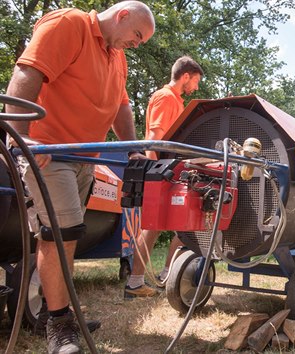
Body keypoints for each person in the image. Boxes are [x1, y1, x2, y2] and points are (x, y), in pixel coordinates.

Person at [6, 2, 155, 353]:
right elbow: (27, 72)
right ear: (122, 15)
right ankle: (60, 327)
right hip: (48, 153)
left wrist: (132, 147)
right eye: (137, 35)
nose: (136, 43)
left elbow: (120, 105)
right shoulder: (69, 24)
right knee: (61, 233)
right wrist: (21, 138)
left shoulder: (117, 56)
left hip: (83, 157)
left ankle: (55, 312)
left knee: (68, 238)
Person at [124, 56, 203, 298]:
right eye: (196, 81)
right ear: (186, 76)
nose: (196, 88)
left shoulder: (176, 101)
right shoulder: (165, 97)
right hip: (162, 170)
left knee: (178, 228)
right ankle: (136, 283)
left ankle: (167, 275)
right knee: (152, 227)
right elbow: (154, 138)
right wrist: (158, 173)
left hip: (173, 169)